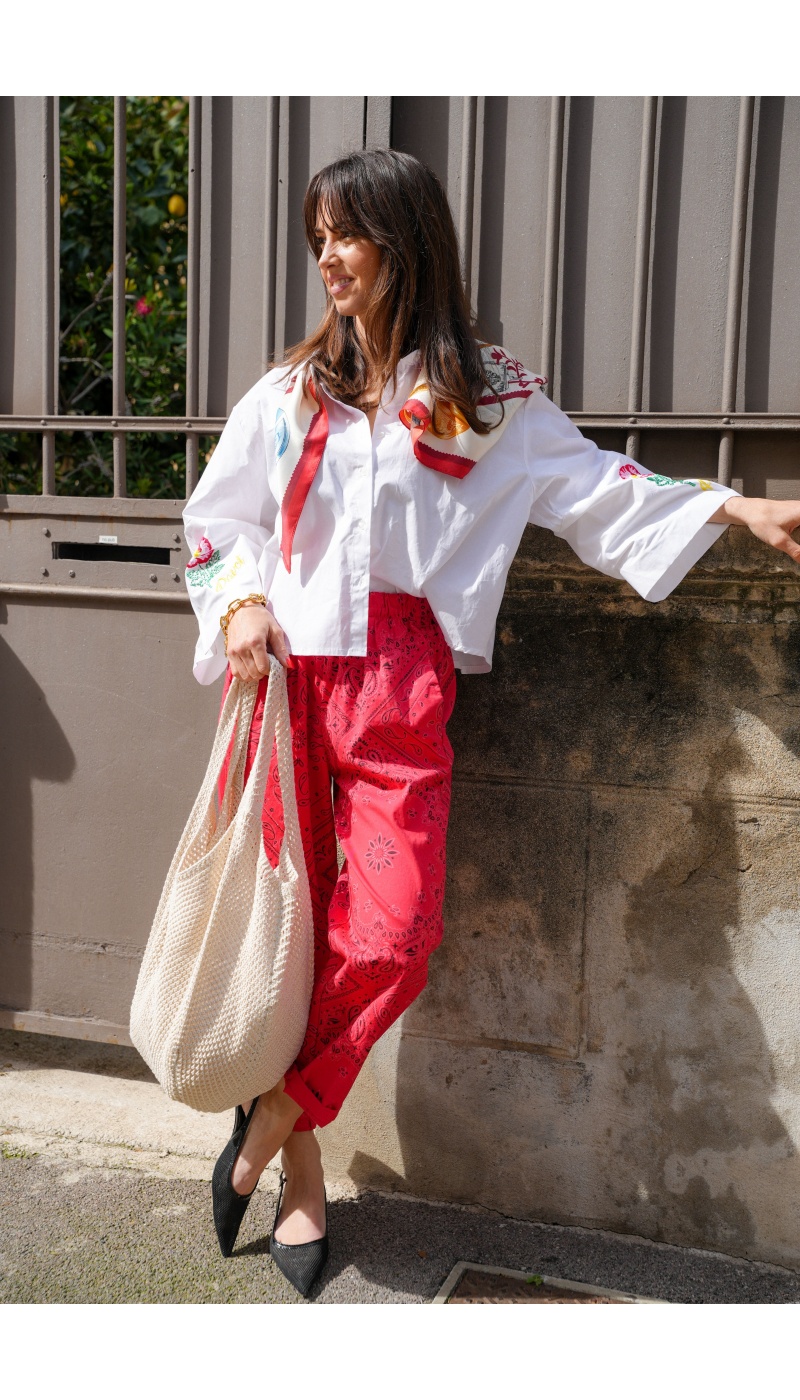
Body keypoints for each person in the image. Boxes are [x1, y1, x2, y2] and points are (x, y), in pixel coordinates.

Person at [183, 147, 800, 1296]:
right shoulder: (282, 398)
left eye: (346, 233)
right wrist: (242, 604)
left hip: (402, 682)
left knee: (395, 931)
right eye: (316, 234)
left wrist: (732, 503)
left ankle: (266, 1115)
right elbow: (216, 524)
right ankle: (299, 1173)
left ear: (404, 241)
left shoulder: (486, 394)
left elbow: (591, 486)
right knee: (284, 931)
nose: (325, 254)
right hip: (281, 686)